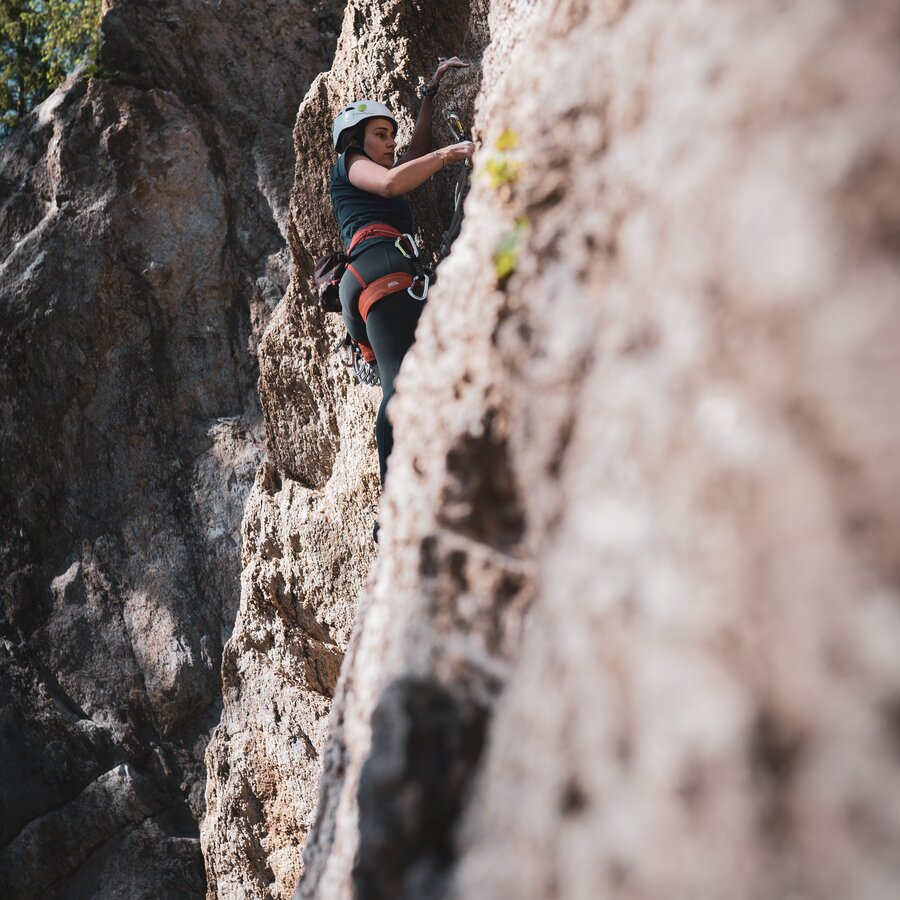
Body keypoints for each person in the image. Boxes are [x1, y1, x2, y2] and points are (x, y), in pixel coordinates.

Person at [329, 58, 476, 517]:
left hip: (385, 275)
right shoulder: (349, 163)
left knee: (420, 372)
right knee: (401, 386)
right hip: (380, 271)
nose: (390, 143)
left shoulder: (378, 162)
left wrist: (429, 95)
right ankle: (390, 502)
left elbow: (412, 156)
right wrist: (453, 154)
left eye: (390, 135)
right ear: (356, 141)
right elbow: (394, 183)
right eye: (380, 134)